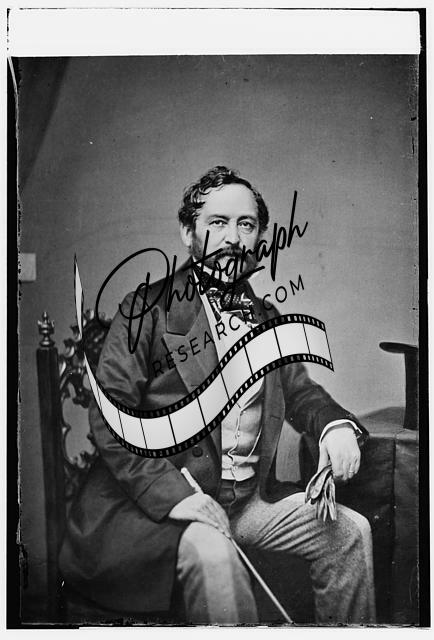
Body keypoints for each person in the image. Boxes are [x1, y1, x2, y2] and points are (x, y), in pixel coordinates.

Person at [60, 166, 376, 624]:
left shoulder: (267, 318)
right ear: (188, 233)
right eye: (217, 223)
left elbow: (303, 394)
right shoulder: (144, 311)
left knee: (349, 533)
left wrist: (335, 427)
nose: (233, 237)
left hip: (245, 505)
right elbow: (111, 418)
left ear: (260, 238)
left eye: (246, 224)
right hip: (156, 509)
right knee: (214, 558)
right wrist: (175, 497)